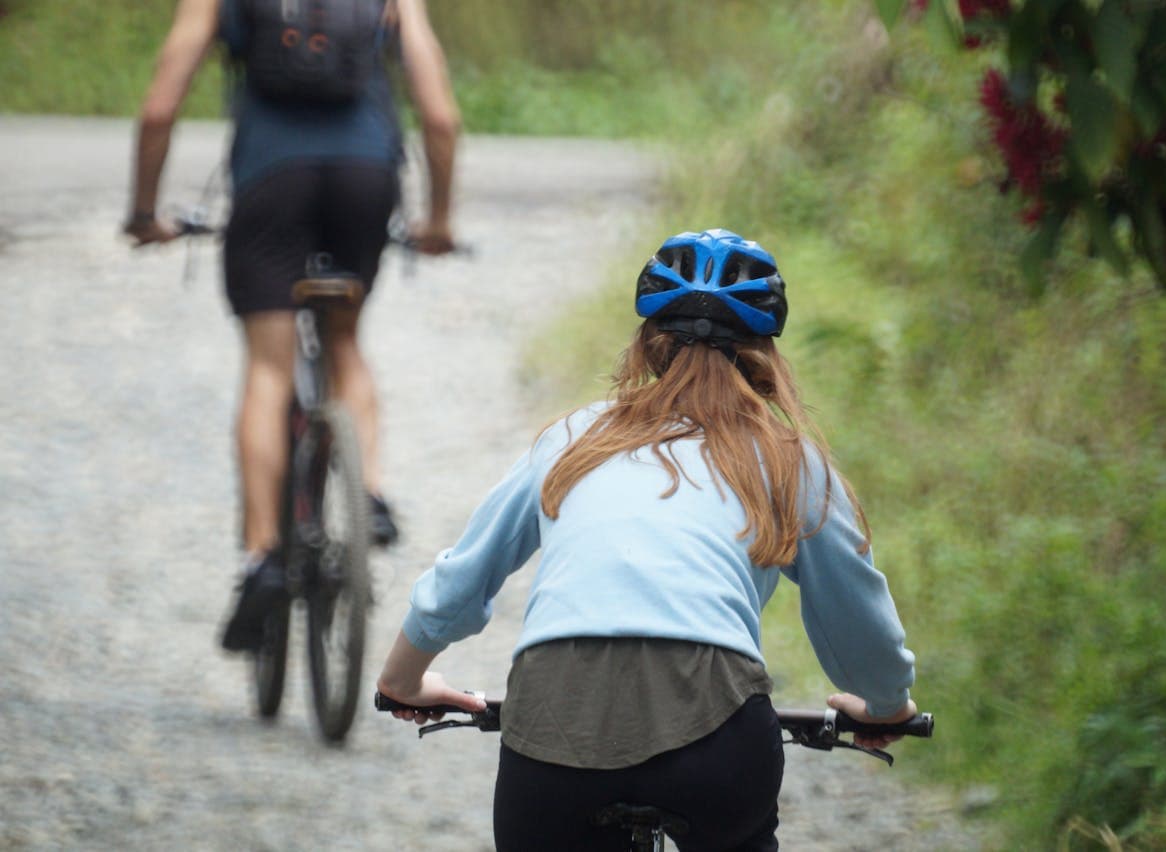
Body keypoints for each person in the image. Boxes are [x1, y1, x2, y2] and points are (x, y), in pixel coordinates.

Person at [376, 229, 918, 851]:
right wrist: (884, 703)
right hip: (717, 728)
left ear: (646, 344)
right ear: (766, 354)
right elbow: (856, 616)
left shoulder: (576, 439)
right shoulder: (791, 460)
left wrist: (404, 680)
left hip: (553, 717)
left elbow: (461, 579)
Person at [124, 0, 461, 652]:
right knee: (344, 341)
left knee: (270, 366)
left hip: (269, 182)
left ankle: (262, 559)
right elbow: (440, 116)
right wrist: (440, 221)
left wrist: (144, 212)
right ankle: (370, 493)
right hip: (365, 181)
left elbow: (161, 106)